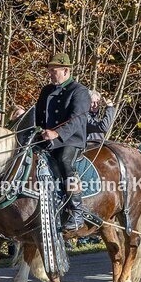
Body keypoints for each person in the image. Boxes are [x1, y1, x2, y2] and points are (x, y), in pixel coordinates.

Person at [34, 52, 92, 232]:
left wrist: (56, 133)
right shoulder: (46, 91)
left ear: (66, 70)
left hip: (70, 140)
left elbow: (78, 119)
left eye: (54, 70)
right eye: (49, 70)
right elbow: (38, 117)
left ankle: (76, 212)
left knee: (65, 162)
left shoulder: (79, 91)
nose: (50, 74)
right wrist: (35, 132)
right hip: (45, 138)